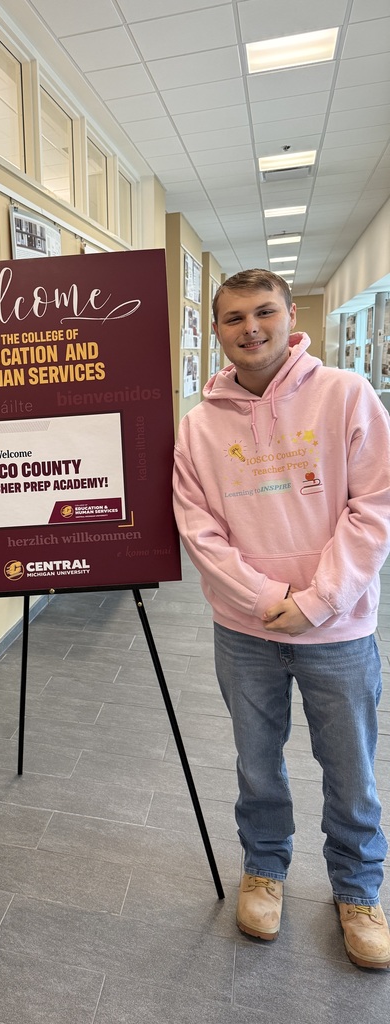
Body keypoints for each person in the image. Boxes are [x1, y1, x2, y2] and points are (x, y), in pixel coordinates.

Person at [173, 268, 390, 969]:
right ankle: (264, 871)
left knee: (351, 768)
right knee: (257, 765)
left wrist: (318, 602)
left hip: (340, 631)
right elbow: (199, 529)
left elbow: (374, 510)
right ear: (217, 330)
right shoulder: (199, 427)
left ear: (291, 315)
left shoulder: (346, 395)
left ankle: (358, 892)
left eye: (264, 312)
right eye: (233, 318)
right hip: (246, 632)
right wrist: (268, 601)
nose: (250, 328)